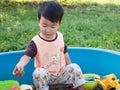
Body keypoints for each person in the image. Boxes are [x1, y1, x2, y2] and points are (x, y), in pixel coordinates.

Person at [13, 1, 85, 90]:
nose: (48, 30)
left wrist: (71, 69)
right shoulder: (36, 42)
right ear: (38, 21)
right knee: (38, 73)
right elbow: (26, 56)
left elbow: (65, 53)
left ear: (59, 23)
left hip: (61, 75)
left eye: (53, 26)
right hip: (45, 78)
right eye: (44, 25)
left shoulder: (60, 37)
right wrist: (20, 65)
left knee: (75, 67)